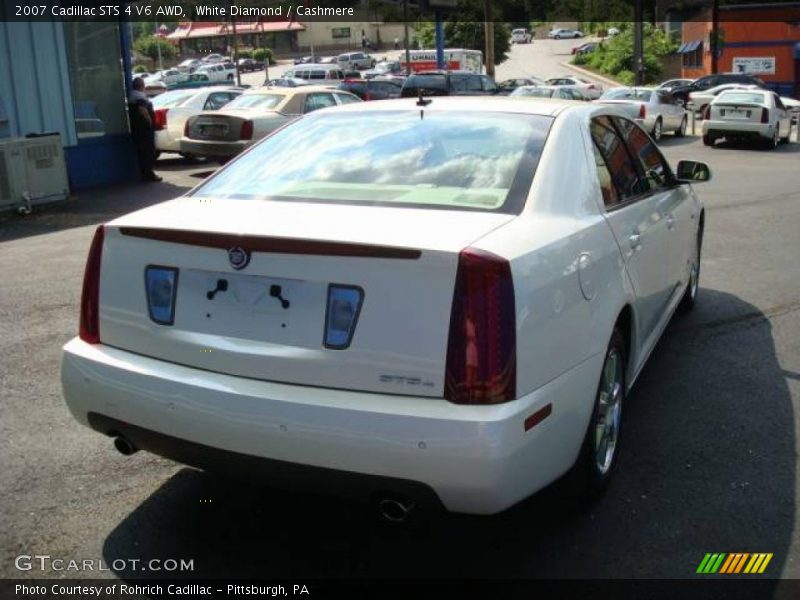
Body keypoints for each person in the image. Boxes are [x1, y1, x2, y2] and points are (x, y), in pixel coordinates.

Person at [128, 77, 161, 183]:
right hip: (144, 129)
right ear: (142, 86)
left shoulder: (132, 95)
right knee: (147, 152)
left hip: (137, 129)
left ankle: (145, 174)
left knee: (142, 152)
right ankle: (149, 175)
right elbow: (142, 109)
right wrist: (149, 121)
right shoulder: (139, 96)